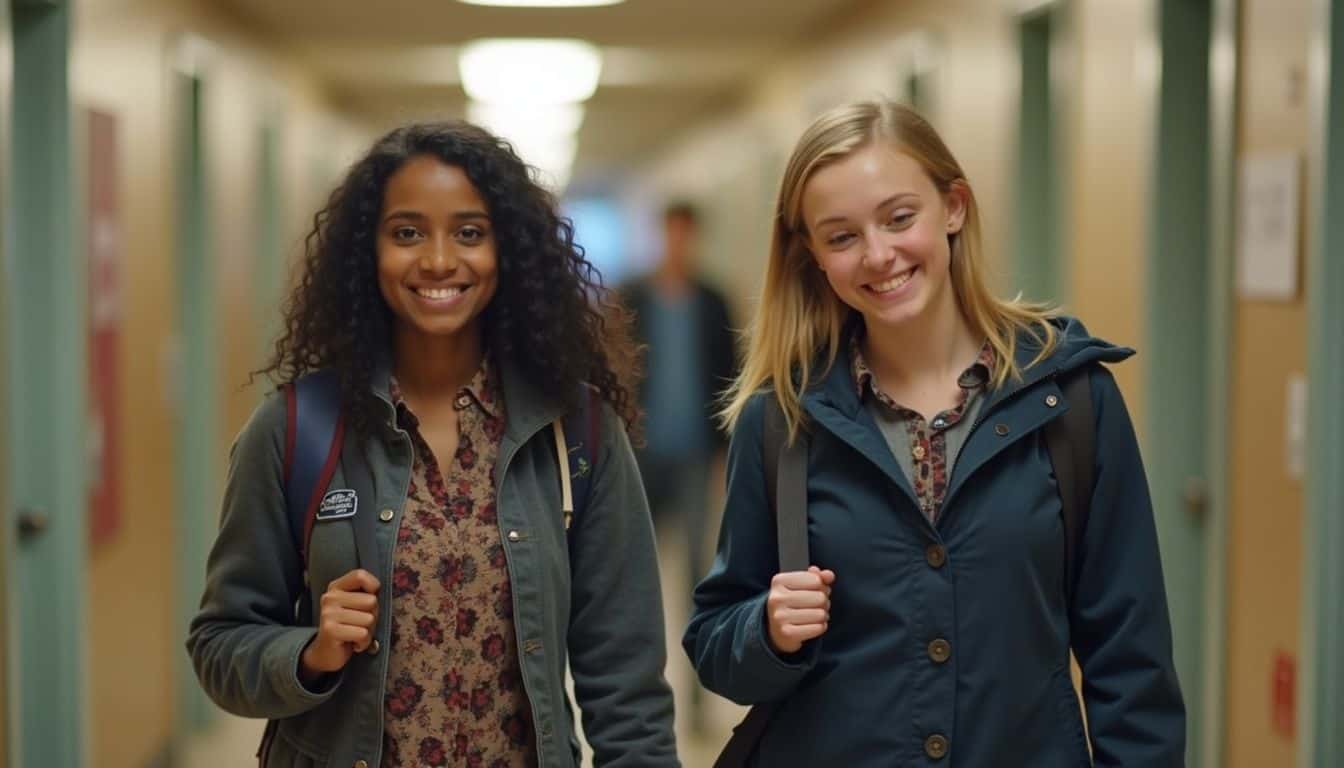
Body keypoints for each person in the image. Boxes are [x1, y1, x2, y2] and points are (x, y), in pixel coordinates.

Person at [683, 101, 1185, 766]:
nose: (877, 255)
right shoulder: (782, 422)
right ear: (813, 256)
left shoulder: (1072, 402)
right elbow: (717, 645)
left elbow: (1131, 656)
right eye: (841, 237)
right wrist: (767, 630)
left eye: (898, 218)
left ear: (953, 207)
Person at [187, 122, 679, 768]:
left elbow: (626, 680)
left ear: (509, 251)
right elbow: (221, 643)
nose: (440, 260)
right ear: (369, 250)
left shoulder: (576, 431)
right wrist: (309, 653)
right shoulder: (296, 429)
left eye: (470, 233)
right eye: (408, 232)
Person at [617, 202, 736, 731]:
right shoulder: (632, 297)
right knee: (631, 577)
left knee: (696, 577)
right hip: (639, 458)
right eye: (670, 233)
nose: (677, 243)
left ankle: (694, 704)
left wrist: (724, 455)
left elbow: (729, 379)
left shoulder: (713, 302)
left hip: (694, 455)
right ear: (660, 234)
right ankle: (636, 695)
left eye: (686, 234)